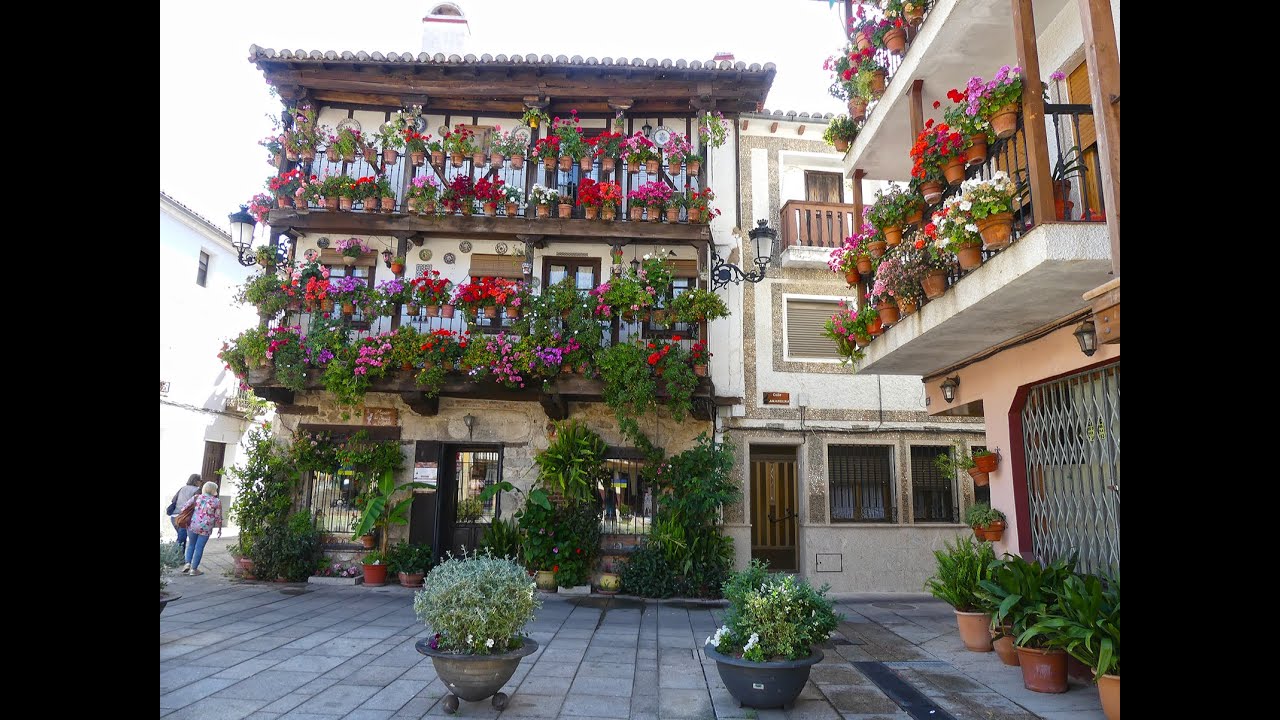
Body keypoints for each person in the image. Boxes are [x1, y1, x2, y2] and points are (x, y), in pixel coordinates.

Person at [178, 481, 223, 576]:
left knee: (191, 545)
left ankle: (187, 564)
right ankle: (194, 569)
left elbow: (184, 508)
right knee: (199, 548)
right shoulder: (216, 501)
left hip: (193, 525)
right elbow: (218, 517)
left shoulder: (196, 497)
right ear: (213, 490)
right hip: (206, 527)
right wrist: (219, 529)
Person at [169, 474, 202, 552]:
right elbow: (198, 505)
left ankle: (176, 556)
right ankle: (177, 558)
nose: (201, 482)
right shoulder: (197, 490)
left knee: (180, 537)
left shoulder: (182, 488)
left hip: (174, 516)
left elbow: (173, 500)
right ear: (196, 481)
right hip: (184, 517)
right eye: (200, 480)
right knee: (181, 539)